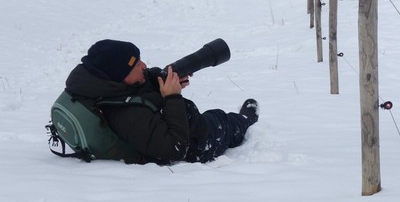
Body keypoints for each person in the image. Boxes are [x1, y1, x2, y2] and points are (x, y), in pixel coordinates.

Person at [64, 39, 259, 164]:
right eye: (136, 65)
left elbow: (137, 94)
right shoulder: (126, 116)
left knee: (211, 117)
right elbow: (175, 149)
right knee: (221, 122)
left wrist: (160, 81)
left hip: (176, 123)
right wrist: (172, 97)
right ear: (119, 76)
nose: (144, 65)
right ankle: (245, 121)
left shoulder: (110, 87)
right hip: (195, 145)